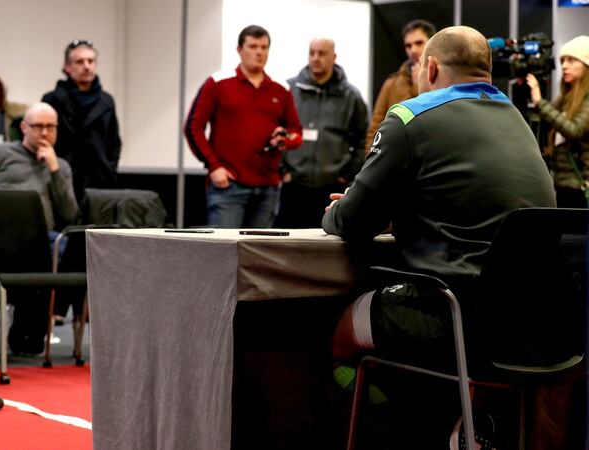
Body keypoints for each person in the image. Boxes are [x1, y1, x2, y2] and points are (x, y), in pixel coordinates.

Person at [323, 26, 556, 448]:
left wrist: (340, 209)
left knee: (342, 332)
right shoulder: (521, 124)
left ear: (429, 67)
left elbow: (352, 223)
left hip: (454, 314)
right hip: (533, 326)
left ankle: (411, 430)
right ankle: (458, 424)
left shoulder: (410, 116)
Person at [0, 102, 78, 355]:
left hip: (41, 240)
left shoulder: (61, 166)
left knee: (58, 246)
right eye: (38, 126)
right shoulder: (1, 153)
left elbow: (69, 214)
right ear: (23, 128)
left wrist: (53, 169)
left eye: (50, 127)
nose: (44, 133)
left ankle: (27, 335)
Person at [185, 25, 303, 228]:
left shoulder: (280, 89)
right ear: (239, 50)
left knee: (258, 255)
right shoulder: (218, 83)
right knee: (224, 254)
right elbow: (193, 127)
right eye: (253, 46)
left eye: (264, 47)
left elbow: (296, 132)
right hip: (228, 186)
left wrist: (284, 139)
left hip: (268, 187)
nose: (259, 52)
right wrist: (214, 166)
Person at [275, 38, 368, 228]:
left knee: (324, 248)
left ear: (333, 57)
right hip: (293, 187)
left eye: (322, 53)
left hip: (331, 189)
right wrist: (283, 171)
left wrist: (347, 174)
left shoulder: (351, 97)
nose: (316, 58)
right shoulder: (290, 90)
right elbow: (276, 132)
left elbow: (362, 140)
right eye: (312, 53)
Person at [41, 40, 122, 202]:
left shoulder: (106, 101)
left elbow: (114, 142)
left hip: (100, 181)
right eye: (79, 61)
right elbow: (43, 139)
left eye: (91, 61)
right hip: (63, 178)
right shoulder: (52, 100)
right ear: (67, 67)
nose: (86, 66)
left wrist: (109, 170)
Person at [527, 35, 589, 208]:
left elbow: (575, 130)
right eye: (562, 61)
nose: (564, 66)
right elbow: (549, 121)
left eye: (571, 60)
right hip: (564, 185)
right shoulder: (566, 98)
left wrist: (540, 102)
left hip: (581, 185)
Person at [365, 20, 436, 155]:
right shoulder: (392, 83)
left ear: (432, 42)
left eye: (419, 43)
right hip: (393, 160)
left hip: (428, 160)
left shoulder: (444, 80)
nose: (413, 50)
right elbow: (375, 127)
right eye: (408, 45)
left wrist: (418, 85)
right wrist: (372, 159)